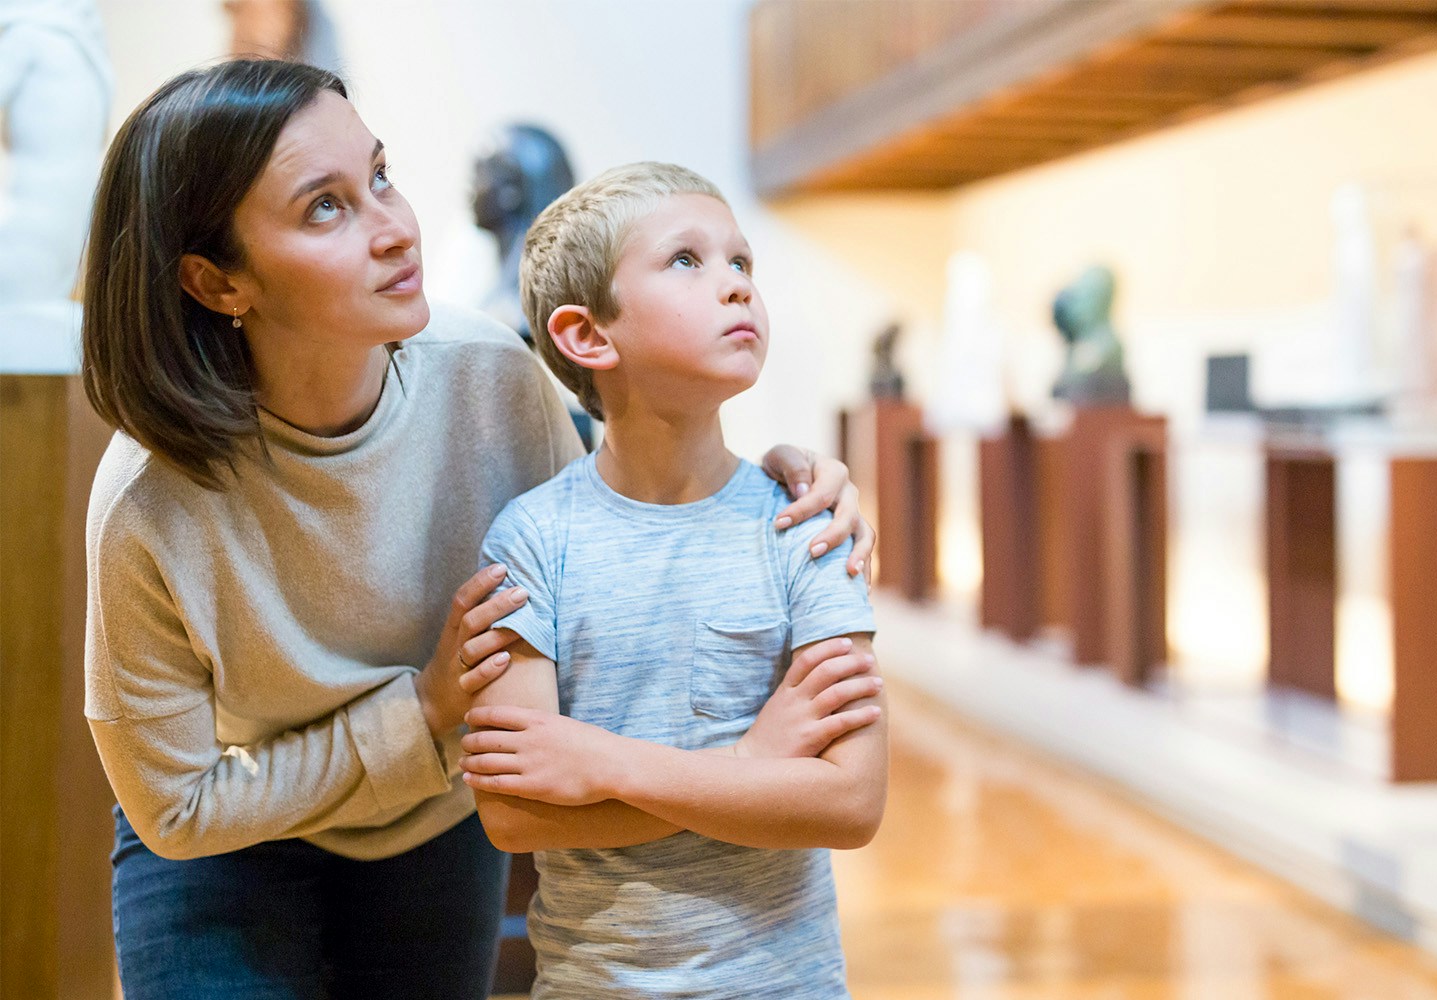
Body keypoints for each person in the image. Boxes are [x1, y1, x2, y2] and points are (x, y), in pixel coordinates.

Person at [79, 60, 876, 999]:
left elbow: (628, 499)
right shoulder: (147, 498)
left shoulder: (493, 381)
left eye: (379, 176)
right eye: (325, 209)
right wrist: (421, 712)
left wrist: (777, 481)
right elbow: (177, 803)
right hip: (228, 827)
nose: (395, 229)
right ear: (217, 281)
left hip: (431, 814)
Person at [458, 162, 888, 998]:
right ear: (587, 335)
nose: (735, 287)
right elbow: (513, 815)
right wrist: (757, 761)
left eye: (742, 263)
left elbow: (849, 801)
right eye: (687, 261)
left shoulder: (806, 523)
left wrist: (603, 765)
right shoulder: (531, 541)